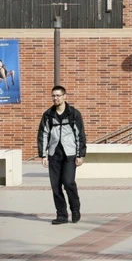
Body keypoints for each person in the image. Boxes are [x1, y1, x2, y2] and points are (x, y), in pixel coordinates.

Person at [37, 85, 86, 224]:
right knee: (56, 185)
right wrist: (44, 155)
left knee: (69, 182)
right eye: (53, 95)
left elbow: (80, 135)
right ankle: (62, 215)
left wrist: (80, 154)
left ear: (65, 96)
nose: (55, 98)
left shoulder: (73, 114)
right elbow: (43, 135)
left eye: (58, 95)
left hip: (69, 154)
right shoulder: (48, 115)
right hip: (54, 154)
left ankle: (75, 209)